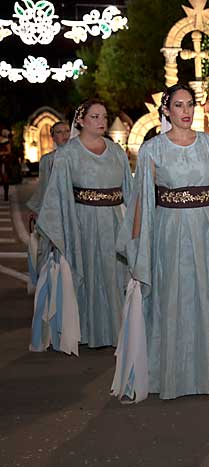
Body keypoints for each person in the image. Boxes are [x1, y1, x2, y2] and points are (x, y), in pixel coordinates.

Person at [117, 83, 209, 399]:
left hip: (205, 231)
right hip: (168, 231)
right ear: (166, 110)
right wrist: (137, 249)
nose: (186, 111)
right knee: (173, 298)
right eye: (179, 105)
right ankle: (169, 375)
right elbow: (142, 201)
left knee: (207, 298)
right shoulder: (152, 149)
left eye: (190, 104)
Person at [36, 100, 133, 348]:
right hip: (81, 222)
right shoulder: (67, 153)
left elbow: (129, 191)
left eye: (104, 116)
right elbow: (57, 194)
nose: (102, 122)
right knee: (87, 275)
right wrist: (59, 231)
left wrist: (135, 226)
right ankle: (86, 332)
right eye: (95, 117)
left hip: (114, 220)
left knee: (113, 275)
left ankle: (115, 331)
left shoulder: (116, 152)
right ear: (80, 120)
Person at [27, 121, 71, 275]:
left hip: (73, 210)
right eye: (59, 132)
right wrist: (37, 209)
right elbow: (43, 187)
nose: (64, 135)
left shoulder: (78, 157)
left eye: (67, 131)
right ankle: (44, 281)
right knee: (45, 249)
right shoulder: (47, 160)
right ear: (53, 137)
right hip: (51, 210)